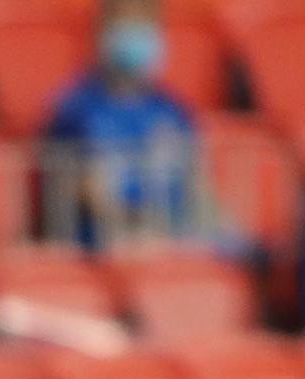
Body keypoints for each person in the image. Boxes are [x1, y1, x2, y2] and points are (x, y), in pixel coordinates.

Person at [44, 0, 197, 247]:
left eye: (144, 26)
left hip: (169, 247)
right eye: (127, 25)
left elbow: (195, 184)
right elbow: (74, 186)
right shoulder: (75, 110)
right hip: (101, 251)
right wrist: (133, 229)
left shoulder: (173, 111)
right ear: (101, 32)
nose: (136, 35)